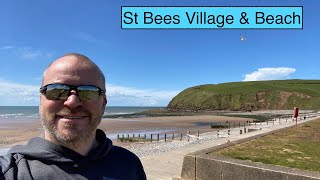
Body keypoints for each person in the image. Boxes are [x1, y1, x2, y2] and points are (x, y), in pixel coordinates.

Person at [0, 53, 146, 179]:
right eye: (56, 90)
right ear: (41, 100)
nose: (72, 102)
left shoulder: (128, 163)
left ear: (104, 103)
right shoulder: (11, 171)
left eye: (89, 92)